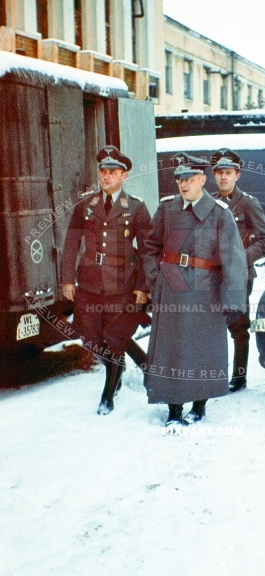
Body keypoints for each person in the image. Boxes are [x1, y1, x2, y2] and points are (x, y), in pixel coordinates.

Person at [143, 153, 248, 427]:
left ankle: (199, 405)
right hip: (171, 289)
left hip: (206, 291)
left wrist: (232, 301)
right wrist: (155, 278)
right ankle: (174, 409)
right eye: (179, 179)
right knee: (170, 350)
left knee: (203, 351)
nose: (183, 185)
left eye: (189, 179)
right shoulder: (167, 210)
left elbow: (234, 261)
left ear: (202, 179)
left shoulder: (220, 214)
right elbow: (150, 246)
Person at [62, 145, 151, 415]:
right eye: (103, 171)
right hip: (89, 282)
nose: (106, 177)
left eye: (113, 172)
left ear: (124, 176)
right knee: (88, 338)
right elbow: (71, 243)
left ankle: (107, 396)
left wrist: (143, 287)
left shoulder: (136, 207)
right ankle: (127, 365)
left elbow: (148, 249)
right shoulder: (85, 205)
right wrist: (67, 280)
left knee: (115, 338)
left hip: (122, 284)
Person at [211, 148, 265, 392]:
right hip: (213, 276)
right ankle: (214, 374)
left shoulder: (247, 203)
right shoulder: (210, 202)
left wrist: (238, 260)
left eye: (228, 173)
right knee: (213, 325)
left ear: (237, 175)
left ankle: (239, 377)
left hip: (239, 277)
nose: (223, 178)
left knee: (238, 327)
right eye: (219, 173)